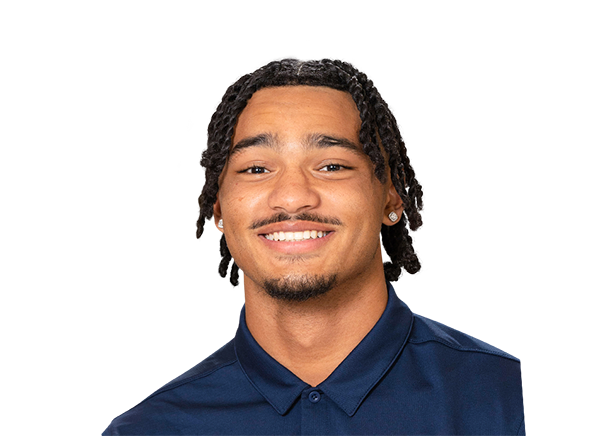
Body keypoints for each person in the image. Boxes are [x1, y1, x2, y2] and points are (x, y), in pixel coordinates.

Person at [103, 57, 525, 435]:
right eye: (256, 168)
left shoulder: (517, 408)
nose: (292, 196)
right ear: (217, 210)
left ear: (391, 199)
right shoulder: (150, 429)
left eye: (332, 166)